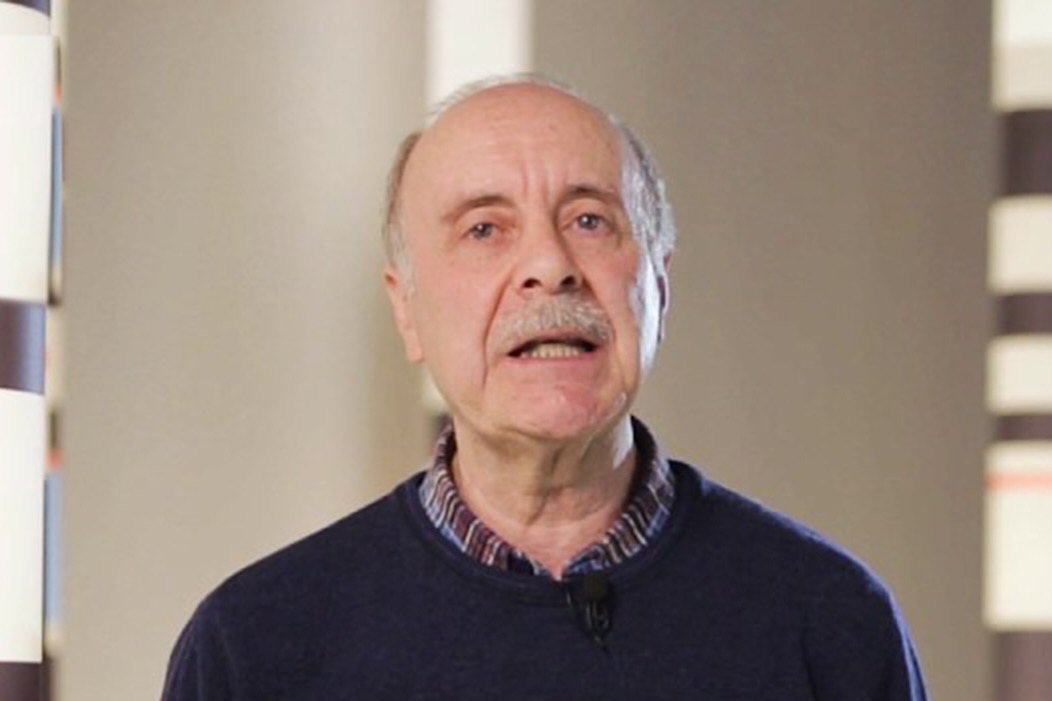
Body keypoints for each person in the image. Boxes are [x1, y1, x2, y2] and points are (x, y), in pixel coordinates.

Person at [162, 75, 928, 700]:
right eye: (484, 229)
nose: (550, 265)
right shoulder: (255, 646)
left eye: (590, 220)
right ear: (407, 308)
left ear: (659, 287)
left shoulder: (830, 620)